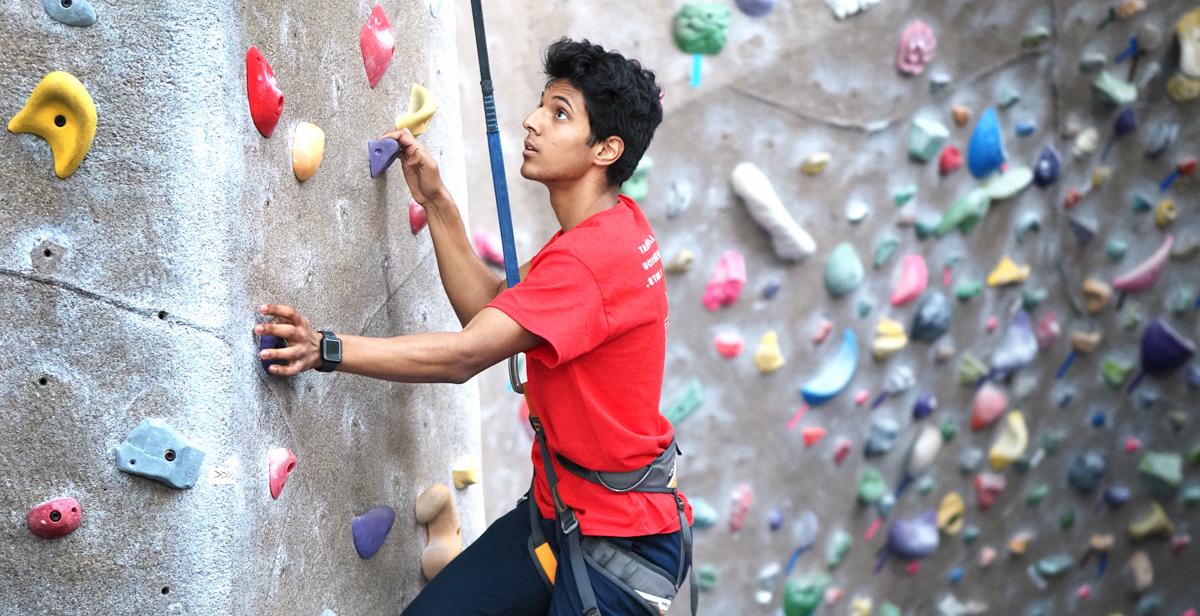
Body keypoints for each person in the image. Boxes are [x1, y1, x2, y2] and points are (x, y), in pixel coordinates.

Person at [254, 37, 692, 615]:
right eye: (542, 104)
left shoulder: (592, 261)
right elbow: (487, 308)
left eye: (559, 113)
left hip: (620, 549)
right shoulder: (609, 229)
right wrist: (437, 202)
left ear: (606, 149)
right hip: (560, 517)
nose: (533, 121)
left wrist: (326, 348)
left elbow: (466, 355)